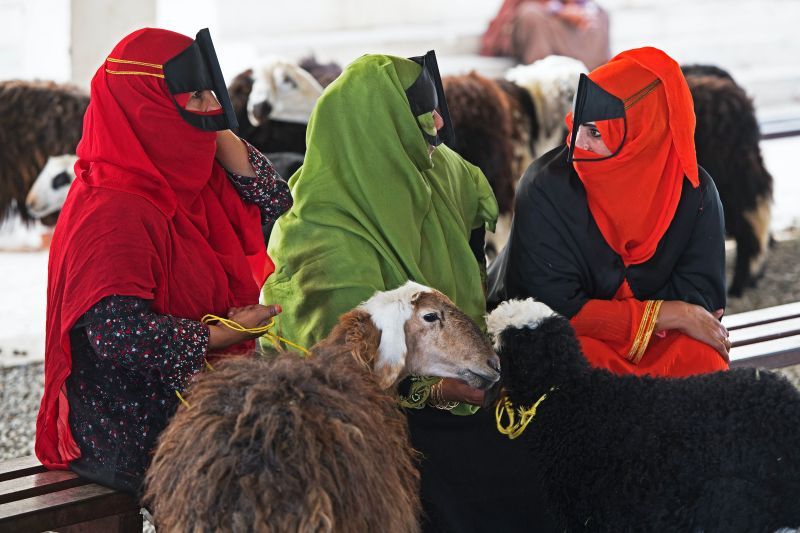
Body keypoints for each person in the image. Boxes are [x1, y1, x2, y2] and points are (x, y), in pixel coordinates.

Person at [263, 51, 558, 532]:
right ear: (378, 125)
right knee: (468, 477)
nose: (439, 122)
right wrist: (433, 389)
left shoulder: (436, 175)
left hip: (463, 377)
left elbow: (476, 257)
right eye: (422, 112)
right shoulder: (318, 233)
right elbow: (336, 371)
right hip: (370, 414)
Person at [35, 27, 292, 495]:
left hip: (186, 403)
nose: (211, 107)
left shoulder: (188, 180)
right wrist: (222, 335)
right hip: (127, 430)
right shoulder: (115, 208)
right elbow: (118, 336)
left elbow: (276, 201)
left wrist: (214, 131)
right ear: (145, 106)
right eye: (195, 96)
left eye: (210, 94)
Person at [488, 46, 730, 378]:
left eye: (596, 132)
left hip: (654, 339)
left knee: (702, 358)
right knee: (569, 362)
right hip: (571, 334)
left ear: (644, 134)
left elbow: (703, 305)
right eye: (577, 127)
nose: (577, 145)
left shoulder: (694, 192)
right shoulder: (546, 186)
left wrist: (670, 317)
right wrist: (668, 313)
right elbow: (549, 309)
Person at [480, 0, 611, 70]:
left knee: (599, 16)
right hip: (540, 12)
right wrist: (559, 9)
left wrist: (577, 9)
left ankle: (590, 73)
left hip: (571, 17)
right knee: (530, 15)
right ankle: (544, 72)